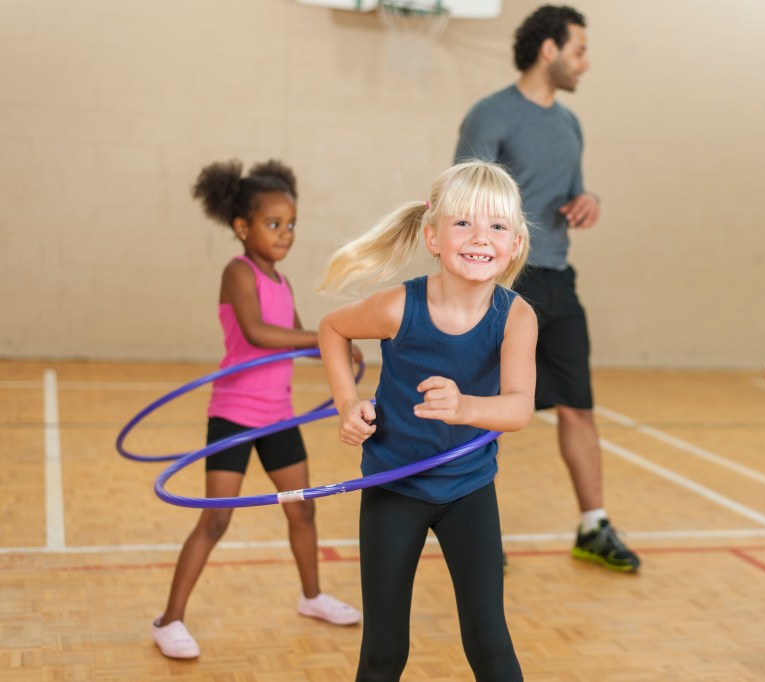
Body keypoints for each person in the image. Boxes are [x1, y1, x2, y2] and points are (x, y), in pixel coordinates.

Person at [317, 161, 537, 681]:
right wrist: (347, 403)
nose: (480, 237)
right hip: (394, 487)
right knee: (384, 650)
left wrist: (465, 408)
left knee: (490, 644)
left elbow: (518, 407)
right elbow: (332, 329)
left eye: (497, 226)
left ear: (515, 244)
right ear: (433, 237)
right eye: (463, 223)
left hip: (468, 489)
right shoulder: (399, 307)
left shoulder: (516, 317)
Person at [454, 4, 640, 573]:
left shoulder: (570, 124)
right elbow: (462, 200)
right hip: (503, 284)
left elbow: (574, 190)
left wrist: (589, 201)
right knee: (489, 410)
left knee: (578, 406)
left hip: (558, 281)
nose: (586, 62)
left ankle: (594, 526)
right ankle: (472, 531)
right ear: (549, 49)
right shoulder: (490, 115)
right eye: (579, 50)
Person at [151, 160, 362, 660]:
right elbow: (260, 334)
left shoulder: (283, 282)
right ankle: (169, 619)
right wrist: (327, 333)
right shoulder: (237, 272)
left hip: (279, 417)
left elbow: (299, 344)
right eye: (273, 224)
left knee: (301, 508)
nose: (285, 233)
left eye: (291, 224)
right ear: (242, 227)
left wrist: (338, 349)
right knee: (216, 520)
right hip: (234, 416)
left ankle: (312, 596)